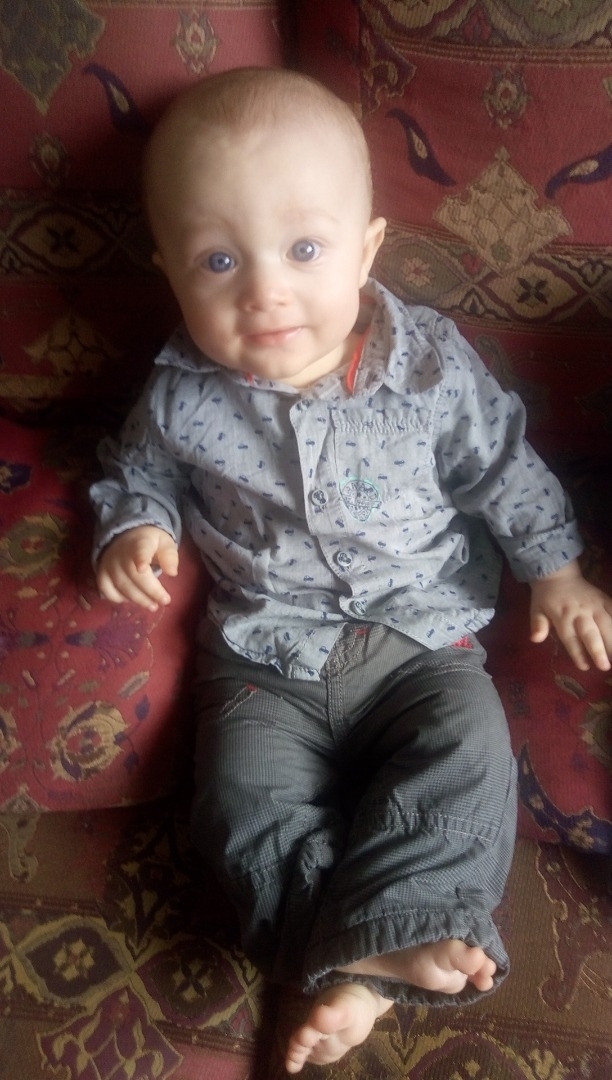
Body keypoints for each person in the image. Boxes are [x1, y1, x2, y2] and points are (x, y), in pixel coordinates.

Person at [90, 67, 612, 1072]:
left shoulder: (428, 366)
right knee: (238, 806)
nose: (265, 290)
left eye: (304, 250)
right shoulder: (179, 391)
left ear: (368, 249)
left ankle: (395, 931)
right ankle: (355, 966)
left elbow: (500, 462)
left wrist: (556, 568)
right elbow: (136, 471)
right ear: (169, 272)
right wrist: (137, 527)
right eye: (217, 260)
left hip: (421, 640)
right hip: (263, 658)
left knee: (471, 757)